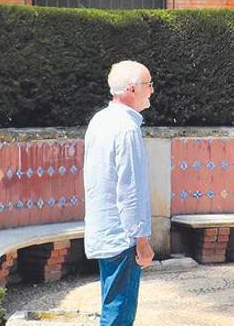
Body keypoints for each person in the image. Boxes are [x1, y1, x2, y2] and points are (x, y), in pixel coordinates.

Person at [83, 60, 155, 326]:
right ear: (131, 89)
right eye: (148, 85)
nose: (152, 91)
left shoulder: (100, 120)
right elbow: (130, 190)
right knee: (118, 314)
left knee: (112, 306)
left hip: (103, 229)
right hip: (122, 236)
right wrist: (142, 240)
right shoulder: (126, 129)